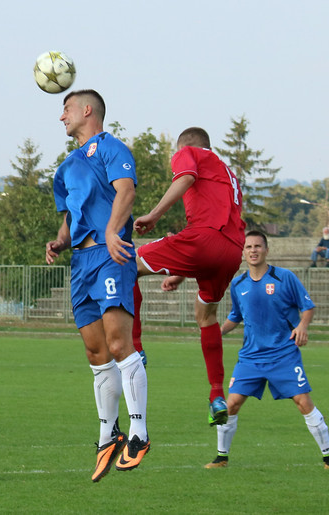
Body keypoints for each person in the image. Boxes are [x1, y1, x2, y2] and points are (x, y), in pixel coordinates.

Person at [45, 89, 149, 482]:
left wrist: (110, 231)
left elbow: (126, 191)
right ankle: (109, 434)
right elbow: (71, 218)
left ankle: (139, 431)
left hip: (111, 253)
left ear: (87, 111)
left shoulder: (111, 147)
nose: (62, 117)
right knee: (95, 351)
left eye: (66, 109)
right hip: (82, 262)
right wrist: (59, 240)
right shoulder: (65, 167)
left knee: (120, 343)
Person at [132, 126, 246, 426]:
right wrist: (181, 275)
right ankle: (217, 395)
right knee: (205, 316)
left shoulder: (188, 153)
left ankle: (136, 349)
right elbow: (218, 227)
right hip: (232, 252)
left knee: (125, 265)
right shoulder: (229, 174)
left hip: (204, 240)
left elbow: (185, 178)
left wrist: (154, 214)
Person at [205, 230, 329, 470]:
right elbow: (235, 316)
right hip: (250, 357)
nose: (253, 250)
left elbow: (307, 307)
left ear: (267, 250)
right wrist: (216, 333)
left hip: (283, 355)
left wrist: (302, 326)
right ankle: (221, 458)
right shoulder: (238, 283)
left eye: (257, 246)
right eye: (248, 247)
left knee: (303, 402)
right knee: (231, 405)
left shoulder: (284, 277)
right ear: (243, 252)